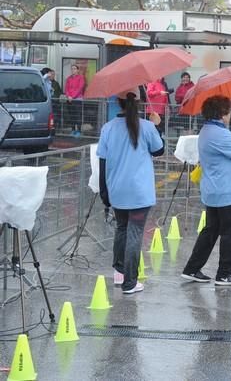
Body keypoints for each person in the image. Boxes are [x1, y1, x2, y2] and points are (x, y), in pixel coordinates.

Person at [97, 88, 164, 294]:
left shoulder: (108, 128)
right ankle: (130, 282)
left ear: (118, 102)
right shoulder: (146, 127)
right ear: (140, 102)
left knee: (122, 229)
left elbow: (102, 163)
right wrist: (157, 126)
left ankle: (120, 273)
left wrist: (104, 193)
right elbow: (159, 150)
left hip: (117, 190)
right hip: (140, 192)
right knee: (134, 233)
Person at [181, 96, 231, 286]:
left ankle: (192, 268)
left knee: (211, 231)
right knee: (230, 232)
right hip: (225, 191)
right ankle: (224, 273)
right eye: (228, 111)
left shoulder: (208, 130)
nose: (230, 114)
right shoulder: (219, 134)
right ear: (222, 113)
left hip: (214, 190)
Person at [65, 64, 86, 137]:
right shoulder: (68, 78)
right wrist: (68, 96)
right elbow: (66, 89)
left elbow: (79, 89)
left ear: (77, 70)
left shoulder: (81, 78)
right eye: (72, 69)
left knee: (78, 115)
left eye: (74, 69)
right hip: (69, 99)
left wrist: (72, 97)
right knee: (71, 116)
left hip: (77, 99)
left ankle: (79, 131)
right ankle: (73, 130)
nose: (73, 70)